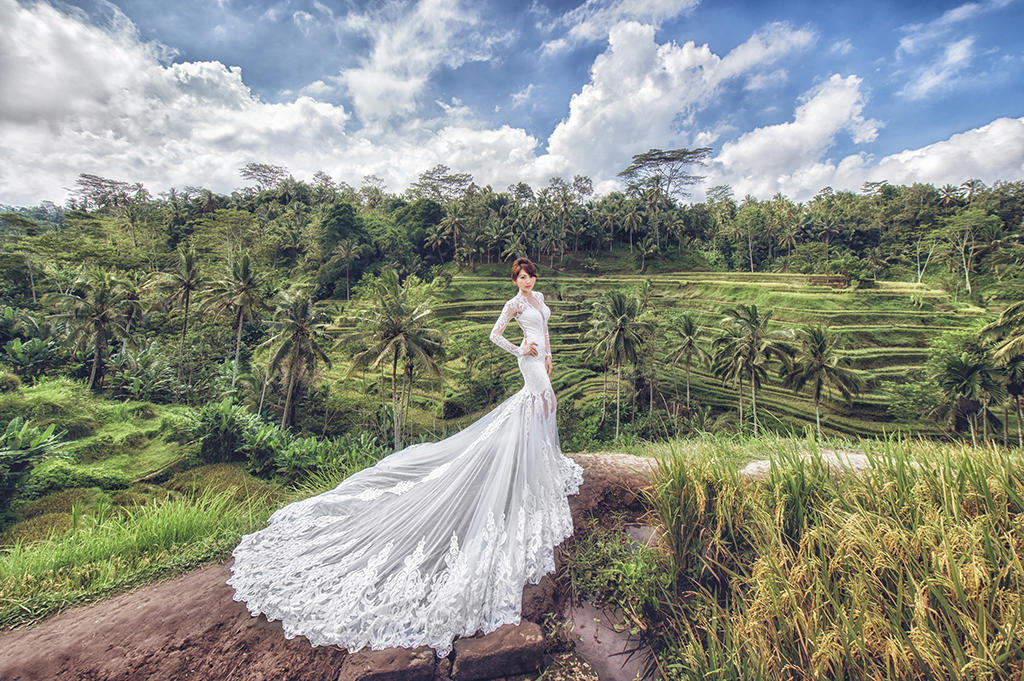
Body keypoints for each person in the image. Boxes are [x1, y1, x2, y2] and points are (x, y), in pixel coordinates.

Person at [226, 257, 583, 658]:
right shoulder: (514, 304)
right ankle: (532, 462)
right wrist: (523, 348)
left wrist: (549, 357)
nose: (526, 280)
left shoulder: (539, 300)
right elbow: (493, 335)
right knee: (536, 401)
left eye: (530, 275)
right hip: (527, 361)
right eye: (520, 276)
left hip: (543, 362)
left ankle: (541, 460)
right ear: (514, 281)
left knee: (544, 405)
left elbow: (547, 330)